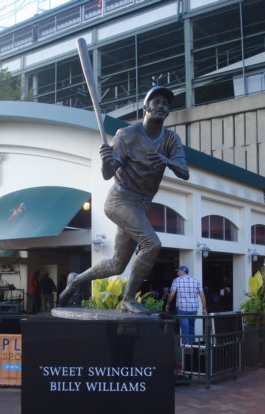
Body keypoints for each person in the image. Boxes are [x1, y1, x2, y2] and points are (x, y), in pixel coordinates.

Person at [59, 86, 189, 313]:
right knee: (151, 243)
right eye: (155, 101)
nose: (161, 106)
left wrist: (166, 160)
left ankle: (75, 280)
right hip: (120, 199)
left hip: (142, 204)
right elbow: (108, 174)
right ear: (145, 107)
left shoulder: (170, 139)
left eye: (165, 103)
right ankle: (128, 299)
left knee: (117, 265)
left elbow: (184, 171)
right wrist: (106, 160)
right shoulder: (126, 135)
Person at [165, 266, 207, 344]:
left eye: (178, 271)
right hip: (194, 309)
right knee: (191, 328)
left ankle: (186, 350)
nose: (177, 273)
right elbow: (202, 295)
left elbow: (171, 295)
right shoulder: (196, 281)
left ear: (183, 271)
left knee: (185, 329)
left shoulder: (176, 281)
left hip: (182, 309)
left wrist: (168, 304)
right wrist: (204, 308)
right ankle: (193, 348)